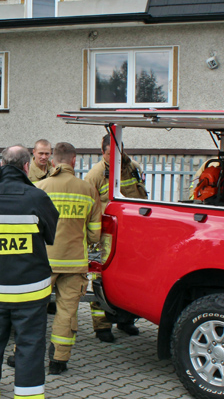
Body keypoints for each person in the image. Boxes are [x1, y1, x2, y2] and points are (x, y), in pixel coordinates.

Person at [0, 145, 59, 399]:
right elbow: (50, 235)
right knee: (30, 346)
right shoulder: (37, 196)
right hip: (30, 289)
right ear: (26, 167)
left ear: (0, 165)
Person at [36, 142, 101, 375]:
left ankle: (20, 355)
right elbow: (94, 233)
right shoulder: (88, 189)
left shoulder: (39, 187)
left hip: (43, 261)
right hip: (74, 262)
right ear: (74, 161)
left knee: (33, 309)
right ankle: (58, 360)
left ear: (53, 160)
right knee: (66, 311)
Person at [84, 133, 144, 342]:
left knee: (130, 279)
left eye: (117, 153)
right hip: (106, 238)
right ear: (102, 152)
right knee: (102, 279)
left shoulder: (133, 168)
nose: (114, 158)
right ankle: (102, 326)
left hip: (133, 234)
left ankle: (126, 320)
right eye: (110, 154)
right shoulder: (95, 175)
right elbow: (89, 209)